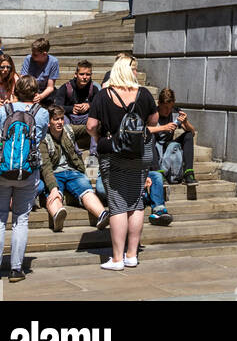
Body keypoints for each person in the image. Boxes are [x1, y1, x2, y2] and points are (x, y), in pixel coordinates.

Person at [0, 74, 49, 281]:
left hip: (1, 171)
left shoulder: (4, 110)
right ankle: (16, 269)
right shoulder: (42, 113)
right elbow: (38, 139)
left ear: (15, 92)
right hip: (28, 171)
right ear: (35, 94)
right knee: (21, 220)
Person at [87, 55, 158, 271]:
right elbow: (153, 121)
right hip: (141, 151)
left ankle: (117, 259)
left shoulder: (103, 95)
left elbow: (90, 125)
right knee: (136, 202)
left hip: (114, 152)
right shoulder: (144, 94)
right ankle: (132, 255)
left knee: (117, 203)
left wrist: (101, 138)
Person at [40, 108, 109, 233]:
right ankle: (57, 215)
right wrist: (53, 187)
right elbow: (45, 167)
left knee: (87, 191)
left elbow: (89, 127)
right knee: (54, 195)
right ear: (49, 123)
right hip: (55, 173)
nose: (60, 122)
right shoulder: (43, 139)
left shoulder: (69, 130)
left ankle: (102, 215)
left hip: (73, 171)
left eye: (61, 118)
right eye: (56, 119)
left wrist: (101, 121)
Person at [146, 88, 197, 222]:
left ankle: (189, 173)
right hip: (154, 148)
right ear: (159, 104)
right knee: (149, 138)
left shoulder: (176, 112)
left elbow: (193, 132)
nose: (168, 111)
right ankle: (159, 173)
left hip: (168, 147)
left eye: (170, 107)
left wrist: (185, 122)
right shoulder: (152, 112)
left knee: (188, 136)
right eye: (165, 108)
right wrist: (163, 128)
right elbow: (143, 131)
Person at [53, 60, 100, 130]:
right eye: (81, 74)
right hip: (69, 116)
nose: (84, 77)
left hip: (86, 117)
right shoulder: (66, 88)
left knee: (96, 121)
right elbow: (57, 106)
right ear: (76, 74)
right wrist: (72, 108)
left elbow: (99, 105)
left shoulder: (94, 89)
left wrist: (89, 105)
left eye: (88, 74)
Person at [19, 37, 60, 105]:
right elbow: (23, 79)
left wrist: (40, 96)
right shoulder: (28, 59)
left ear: (44, 54)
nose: (32, 55)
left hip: (44, 93)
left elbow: (50, 87)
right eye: (32, 52)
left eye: (35, 54)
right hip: (28, 90)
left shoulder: (53, 62)